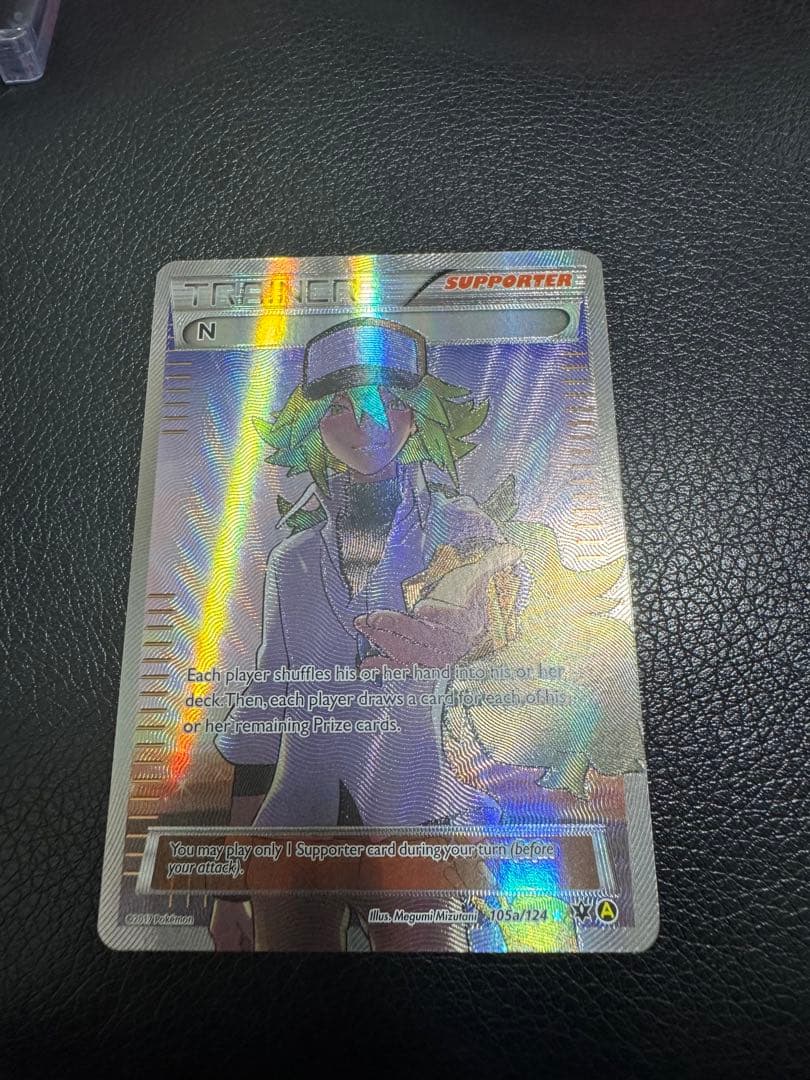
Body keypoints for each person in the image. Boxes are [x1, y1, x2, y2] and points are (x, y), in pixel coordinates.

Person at [210, 318, 522, 950]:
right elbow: (263, 717)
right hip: (294, 832)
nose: (364, 422)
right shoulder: (293, 561)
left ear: (416, 414)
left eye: (385, 402)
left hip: (418, 820)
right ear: (312, 424)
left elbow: (504, 602)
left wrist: (473, 631)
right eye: (339, 407)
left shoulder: (463, 529)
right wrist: (228, 887)